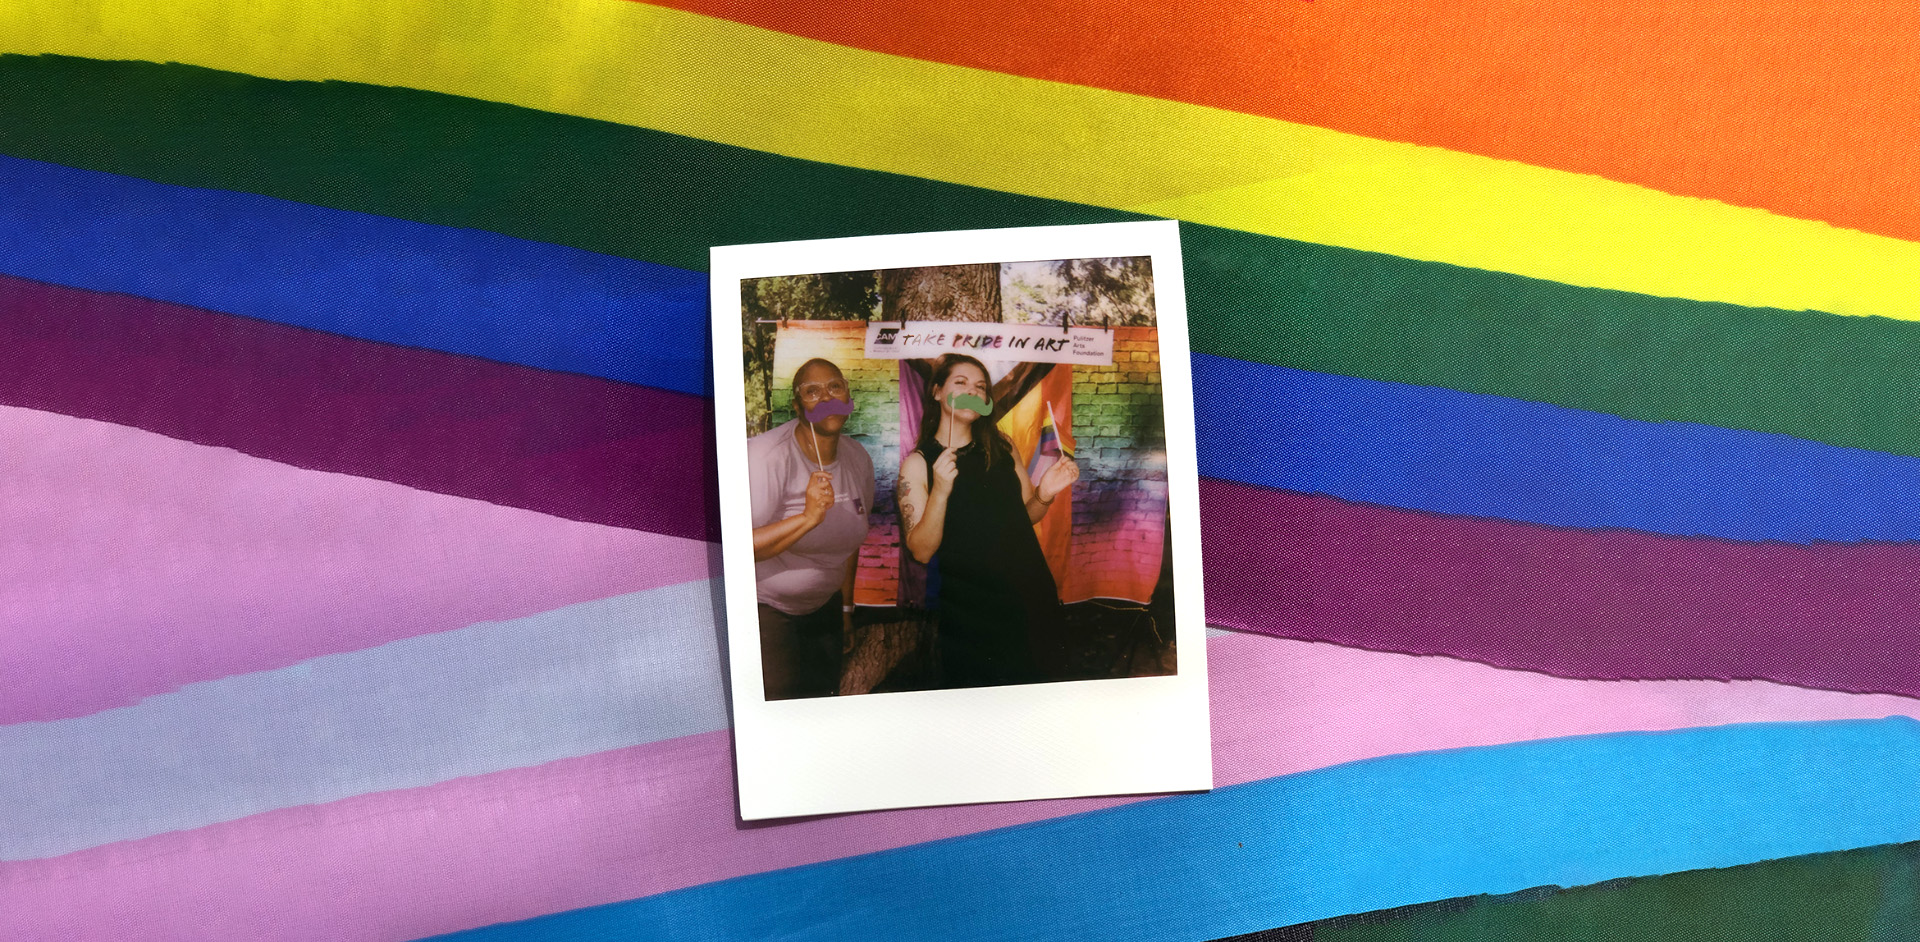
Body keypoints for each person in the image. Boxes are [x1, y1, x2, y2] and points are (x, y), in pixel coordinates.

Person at [898, 354, 1081, 688]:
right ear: (937, 392)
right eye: (961, 383)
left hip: (1031, 596)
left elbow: (1027, 515)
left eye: (981, 387)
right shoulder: (918, 463)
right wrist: (940, 491)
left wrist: (1045, 492)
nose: (973, 391)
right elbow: (921, 551)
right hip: (973, 613)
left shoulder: (1002, 446)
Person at [749, 358, 875, 700]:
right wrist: (807, 518)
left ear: (848, 396)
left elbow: (850, 542)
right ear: (796, 405)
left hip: (825, 609)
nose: (826, 398)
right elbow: (738, 550)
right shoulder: (764, 457)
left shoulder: (858, 458)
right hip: (768, 610)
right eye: (812, 391)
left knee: (821, 703)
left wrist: (846, 609)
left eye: (835, 386)